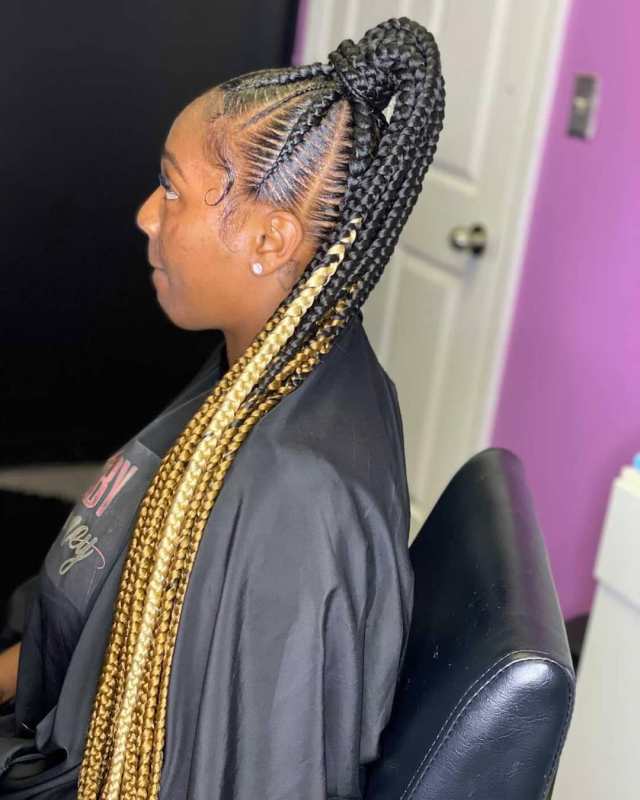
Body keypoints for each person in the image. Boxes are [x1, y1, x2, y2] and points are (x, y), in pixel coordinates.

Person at [0, 16, 445, 799]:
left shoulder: (293, 497)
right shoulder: (276, 362)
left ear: (271, 241)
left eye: (173, 188)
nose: (147, 213)